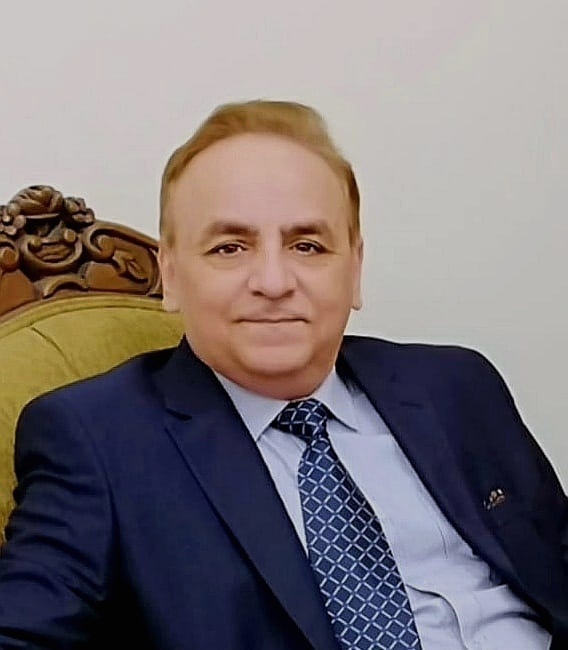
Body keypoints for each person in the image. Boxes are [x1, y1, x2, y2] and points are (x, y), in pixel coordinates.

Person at [0, 100, 566, 650]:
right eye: (230, 247)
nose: (273, 282)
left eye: (307, 245)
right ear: (170, 274)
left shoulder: (456, 386)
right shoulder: (96, 440)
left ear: (355, 269)